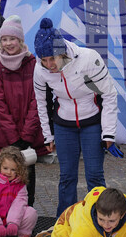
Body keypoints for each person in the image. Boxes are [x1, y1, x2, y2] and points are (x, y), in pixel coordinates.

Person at [32, 17, 119, 215]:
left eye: (52, 58)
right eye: (44, 60)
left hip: (91, 122)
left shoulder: (88, 59)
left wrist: (108, 133)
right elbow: (41, 102)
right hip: (64, 124)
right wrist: (47, 135)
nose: (49, 65)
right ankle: (64, 222)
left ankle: (100, 220)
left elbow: (109, 94)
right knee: (67, 177)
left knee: (94, 175)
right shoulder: (39, 69)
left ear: (62, 52)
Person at [0, 15, 48, 205]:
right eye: (4, 39)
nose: (8, 43)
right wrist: (14, 137)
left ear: (20, 40)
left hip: (28, 136)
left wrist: (26, 136)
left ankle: (26, 215)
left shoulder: (33, 65)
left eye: (12, 39)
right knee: (4, 179)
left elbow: (37, 100)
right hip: (6, 136)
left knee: (26, 178)